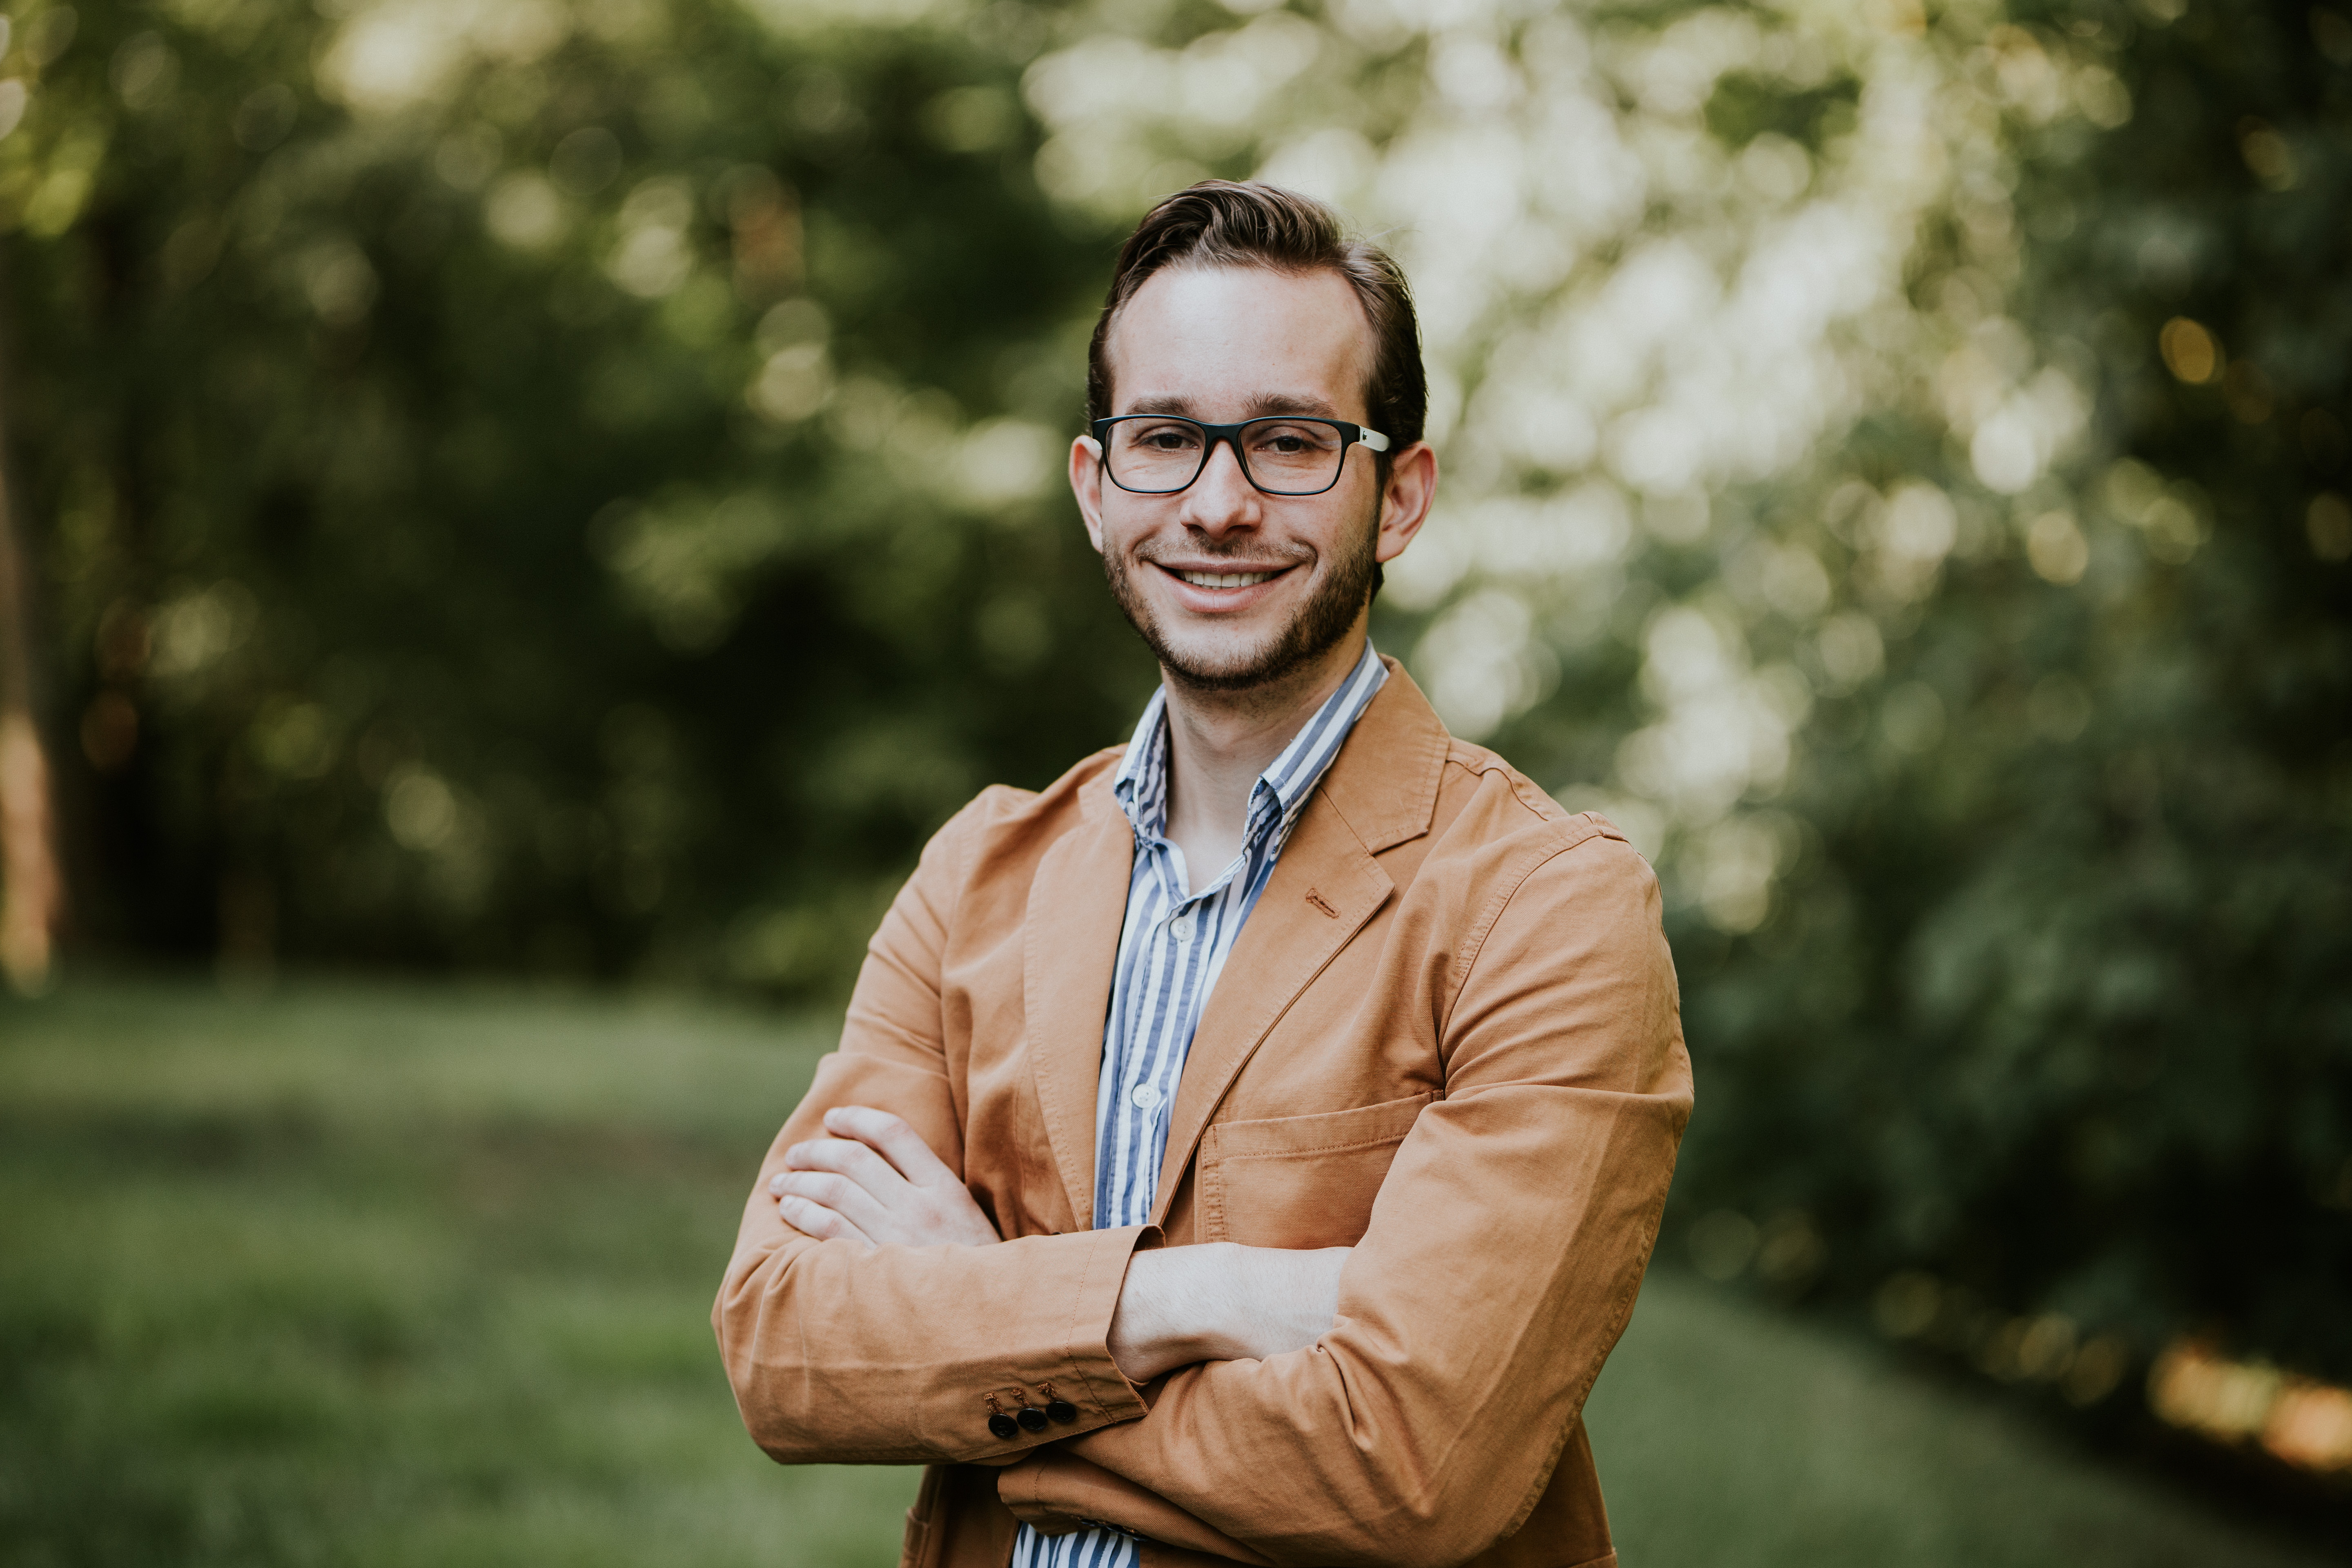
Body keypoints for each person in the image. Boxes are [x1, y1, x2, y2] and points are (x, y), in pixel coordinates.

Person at [714, 180, 1692, 1568]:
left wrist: (984, 1318)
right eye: (1165, 439)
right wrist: (1214, 1297)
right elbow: (784, 1347)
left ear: (1399, 495)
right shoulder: (979, 874)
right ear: (1095, 488)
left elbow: (1415, 1466)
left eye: (1290, 442)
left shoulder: (1548, 907)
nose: (1220, 505)